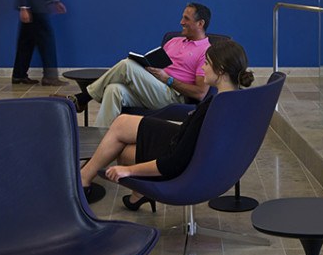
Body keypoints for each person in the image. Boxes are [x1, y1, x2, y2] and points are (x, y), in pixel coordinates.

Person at [79, 38, 254, 208]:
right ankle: (104, 184)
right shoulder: (234, 100)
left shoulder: (212, 109)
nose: (202, 68)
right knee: (121, 123)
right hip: (189, 146)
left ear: (221, 71)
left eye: (206, 63)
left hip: (186, 162)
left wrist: (128, 171)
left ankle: (83, 180)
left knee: (124, 151)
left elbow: (174, 162)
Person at [77, 2, 212, 126]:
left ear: (200, 23)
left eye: (186, 19)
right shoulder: (174, 41)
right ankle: (101, 143)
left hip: (173, 96)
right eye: (182, 17)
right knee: (114, 89)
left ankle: (84, 97)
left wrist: (168, 79)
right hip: (154, 87)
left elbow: (200, 93)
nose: (181, 22)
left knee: (126, 65)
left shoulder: (206, 51)